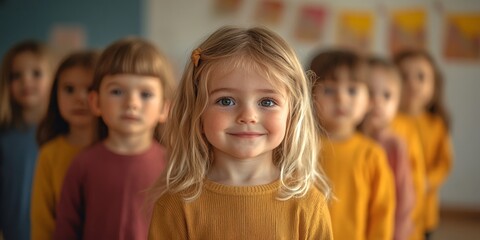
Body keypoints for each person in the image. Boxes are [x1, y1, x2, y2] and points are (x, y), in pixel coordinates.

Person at [148, 26, 333, 239]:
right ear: (197, 113)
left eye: (267, 102)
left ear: (292, 114)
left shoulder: (308, 203)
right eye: (226, 101)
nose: (248, 116)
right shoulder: (175, 204)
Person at [54, 38, 176, 239]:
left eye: (145, 94)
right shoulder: (82, 165)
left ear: (164, 108)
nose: (132, 103)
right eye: (117, 91)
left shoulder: (173, 166)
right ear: (96, 102)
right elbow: (65, 230)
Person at [309, 49, 395, 240]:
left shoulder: (371, 154)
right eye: (329, 90)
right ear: (311, 98)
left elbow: (382, 211)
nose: (341, 98)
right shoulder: (302, 148)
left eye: (352, 90)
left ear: (369, 102)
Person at [30, 51, 100, 240]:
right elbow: (42, 222)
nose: (80, 98)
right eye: (69, 89)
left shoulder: (117, 152)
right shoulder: (49, 154)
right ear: (55, 95)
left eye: (90, 88)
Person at [394, 49, 453, 240]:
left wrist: (429, 181)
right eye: (404, 76)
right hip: (394, 203)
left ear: (434, 85)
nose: (412, 83)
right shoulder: (387, 123)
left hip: (425, 206)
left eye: (421, 77)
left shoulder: (436, 124)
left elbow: (444, 162)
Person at [0, 40, 54, 240]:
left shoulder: (62, 135)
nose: (26, 81)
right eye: (16, 76)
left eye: (36, 73)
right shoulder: (4, 137)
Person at [361, 56, 416, 240]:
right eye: (370, 92)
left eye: (387, 95)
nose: (378, 101)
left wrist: (399, 234)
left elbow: (404, 197)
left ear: (397, 102)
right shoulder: (347, 140)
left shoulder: (394, 145)